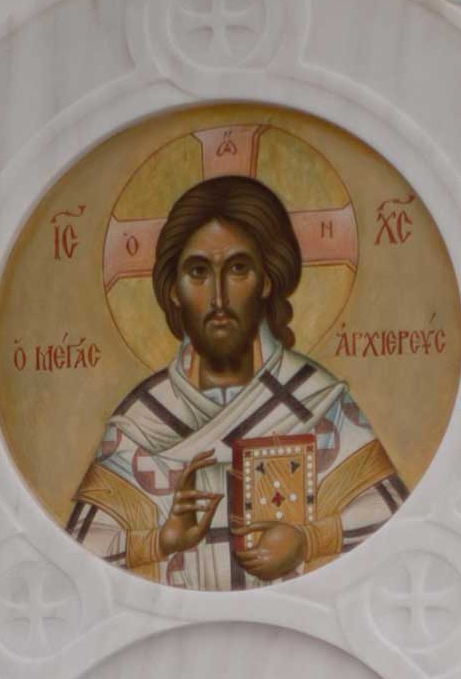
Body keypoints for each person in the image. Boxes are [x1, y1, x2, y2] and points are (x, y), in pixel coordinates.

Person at [67, 174, 406, 591]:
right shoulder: (142, 420)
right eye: (198, 272)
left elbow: (395, 525)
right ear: (173, 290)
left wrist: (309, 541)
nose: (219, 299)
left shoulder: (314, 400)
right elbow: (77, 557)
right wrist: (161, 541)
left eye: (238, 269)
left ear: (267, 280)